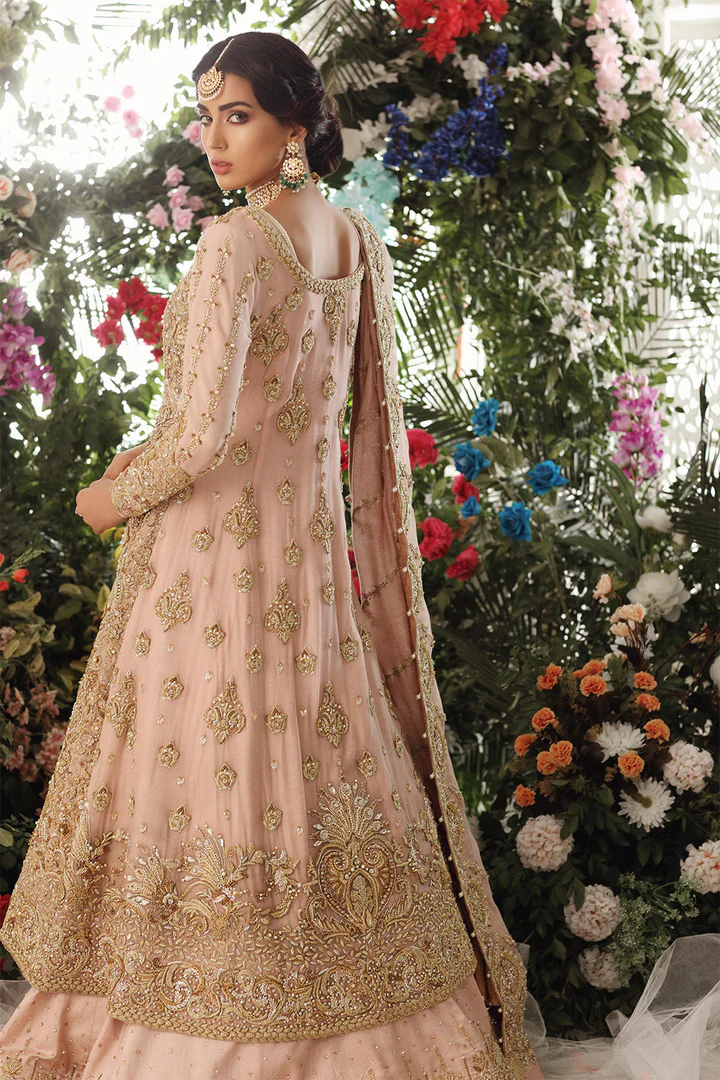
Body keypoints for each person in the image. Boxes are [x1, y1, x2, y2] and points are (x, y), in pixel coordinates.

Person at [0, 31, 543, 1079]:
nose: (213, 138)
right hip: (313, 569)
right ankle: (363, 1010)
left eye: (237, 115)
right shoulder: (352, 236)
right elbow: (351, 426)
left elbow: (198, 439)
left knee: (215, 766)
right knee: (314, 761)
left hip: (210, 568)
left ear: (296, 125)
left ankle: (211, 1017)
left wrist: (106, 499)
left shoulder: (237, 243)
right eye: (206, 116)